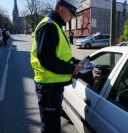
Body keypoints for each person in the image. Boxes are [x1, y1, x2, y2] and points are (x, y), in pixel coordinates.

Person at [30, 0, 81, 132]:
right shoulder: (49, 26)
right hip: (49, 88)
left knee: (53, 125)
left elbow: (58, 55)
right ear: (62, 9)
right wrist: (71, 69)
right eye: (72, 13)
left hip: (52, 86)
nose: (72, 17)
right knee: (50, 128)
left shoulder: (55, 26)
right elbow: (46, 59)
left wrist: (74, 62)